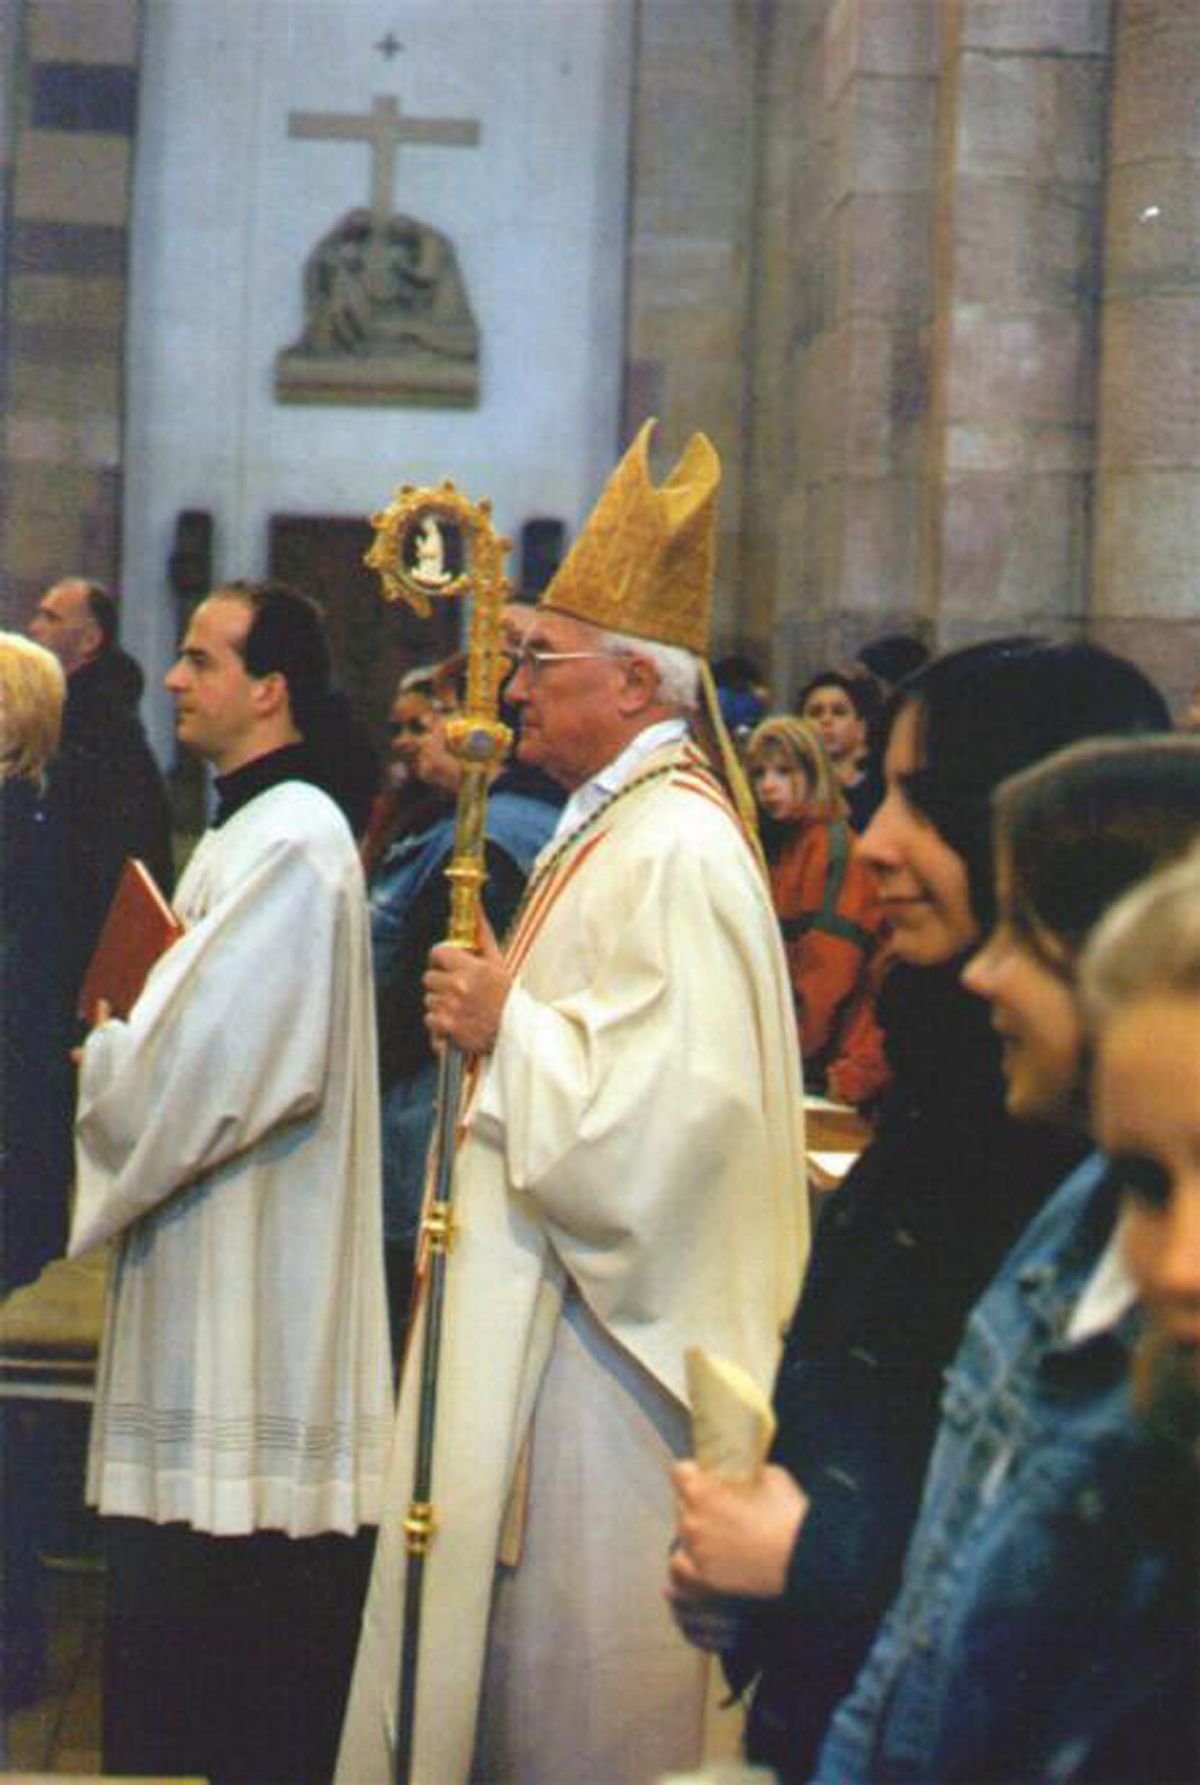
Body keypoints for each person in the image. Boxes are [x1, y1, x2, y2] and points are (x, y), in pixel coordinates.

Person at [337, 420, 809, 1784]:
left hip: (610, 1374)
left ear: (636, 680)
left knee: (580, 1717)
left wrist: (506, 1027)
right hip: (553, 1329)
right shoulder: (617, 822)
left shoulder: (674, 845)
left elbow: (684, 1133)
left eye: (540, 659)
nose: (512, 682)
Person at [669, 638, 1170, 1780]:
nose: (876, 842)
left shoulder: (1086, 1153)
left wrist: (810, 1553)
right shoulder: (956, 1073)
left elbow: (1056, 1579)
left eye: (923, 804)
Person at [814, 735, 1200, 1782]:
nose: (1176, 1266)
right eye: (1152, 1185)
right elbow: (923, 1640)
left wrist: (804, 1560)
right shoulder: (1077, 1219)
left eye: (1023, 932)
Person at [68, 580, 393, 1784]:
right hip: (214, 1256)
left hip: (258, 1286)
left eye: (202, 660)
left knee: (246, 1669)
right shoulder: (258, 831)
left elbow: (218, 1064)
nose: (173, 678)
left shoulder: (296, 840)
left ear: (271, 690)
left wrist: (107, 1052)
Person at [371, 658, 561, 1354]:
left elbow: (412, 1004)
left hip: (421, 1132)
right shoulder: (504, 822)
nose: (434, 734)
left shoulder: (489, 839)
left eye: (446, 711)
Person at [28, 577, 174, 1002]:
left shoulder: (97, 728)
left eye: (50, 617)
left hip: (82, 952)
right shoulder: (70, 716)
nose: (34, 626)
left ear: (90, 639)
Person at [746, 714, 888, 1107]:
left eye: (784, 772)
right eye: (759, 774)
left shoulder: (833, 850)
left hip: (840, 1067)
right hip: (815, 1063)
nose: (769, 786)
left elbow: (829, 972)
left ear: (813, 774)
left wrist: (789, 1062)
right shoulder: (785, 848)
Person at [797, 668, 881, 829]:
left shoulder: (879, 792)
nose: (826, 720)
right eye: (815, 713)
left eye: (839, 712)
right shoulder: (793, 798)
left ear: (861, 728)